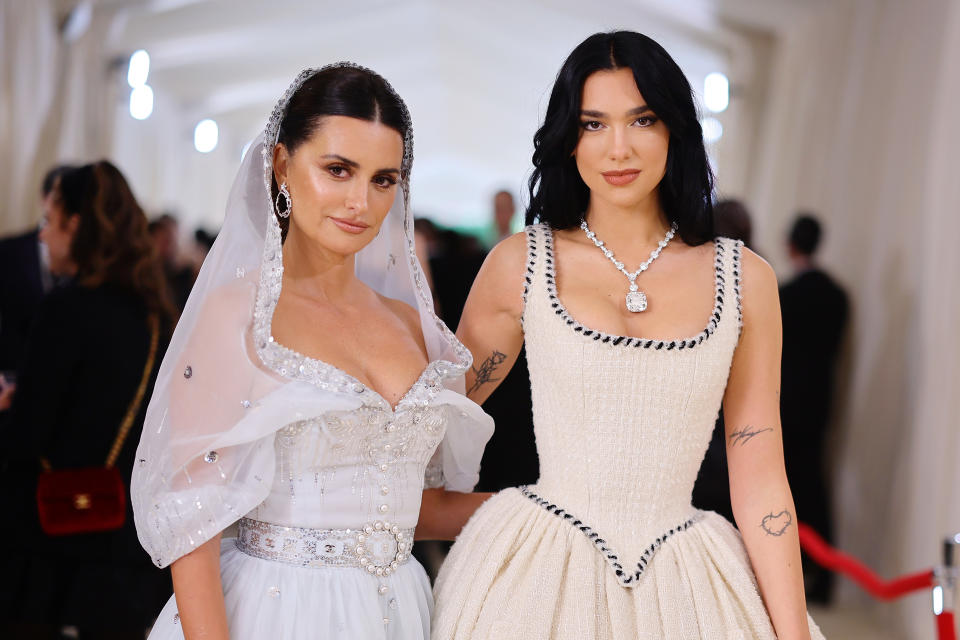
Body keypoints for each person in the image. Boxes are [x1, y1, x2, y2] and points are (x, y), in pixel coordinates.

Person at [431, 32, 824, 639]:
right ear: (569, 138)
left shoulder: (745, 278)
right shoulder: (520, 264)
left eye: (641, 119)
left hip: (690, 580)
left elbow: (761, 472)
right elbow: (437, 424)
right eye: (593, 124)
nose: (618, 148)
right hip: (534, 584)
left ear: (674, 129)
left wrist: (794, 631)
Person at [132, 64, 492, 640]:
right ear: (281, 167)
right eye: (337, 170)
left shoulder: (408, 323)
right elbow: (192, 528)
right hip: (278, 613)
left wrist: (544, 509)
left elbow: (403, 504)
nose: (360, 201)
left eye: (383, 179)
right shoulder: (239, 314)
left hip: (403, 610)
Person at [1, 161, 176, 638]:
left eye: (48, 223)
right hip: (126, 540)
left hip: (48, 543)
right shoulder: (154, 313)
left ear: (75, 226)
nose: (42, 238)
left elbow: (26, 436)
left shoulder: (65, 308)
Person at [779, 214, 848, 604]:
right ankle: (823, 577)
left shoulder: (785, 295)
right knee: (815, 488)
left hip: (786, 402)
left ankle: (789, 573)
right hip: (820, 403)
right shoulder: (838, 297)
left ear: (791, 245)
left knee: (783, 488)